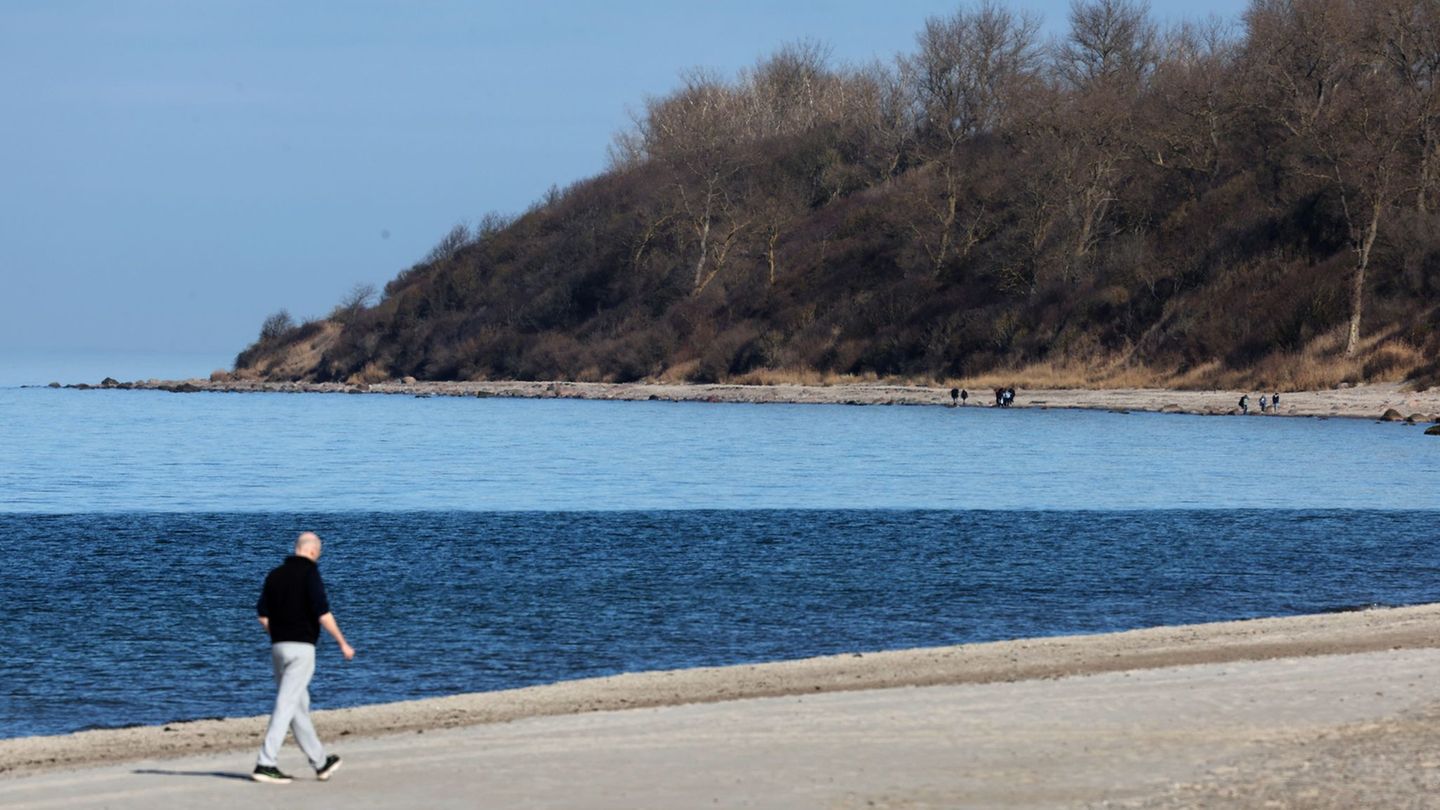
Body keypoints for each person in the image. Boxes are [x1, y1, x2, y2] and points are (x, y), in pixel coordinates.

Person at [253, 532, 355, 784]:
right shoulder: (310, 573)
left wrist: (279, 634)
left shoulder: (275, 575)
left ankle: (320, 762)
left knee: (298, 706)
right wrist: (342, 642)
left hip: (278, 647)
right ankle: (266, 762)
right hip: (301, 648)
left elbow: (263, 616)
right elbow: (323, 613)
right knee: (286, 704)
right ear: (312, 551)